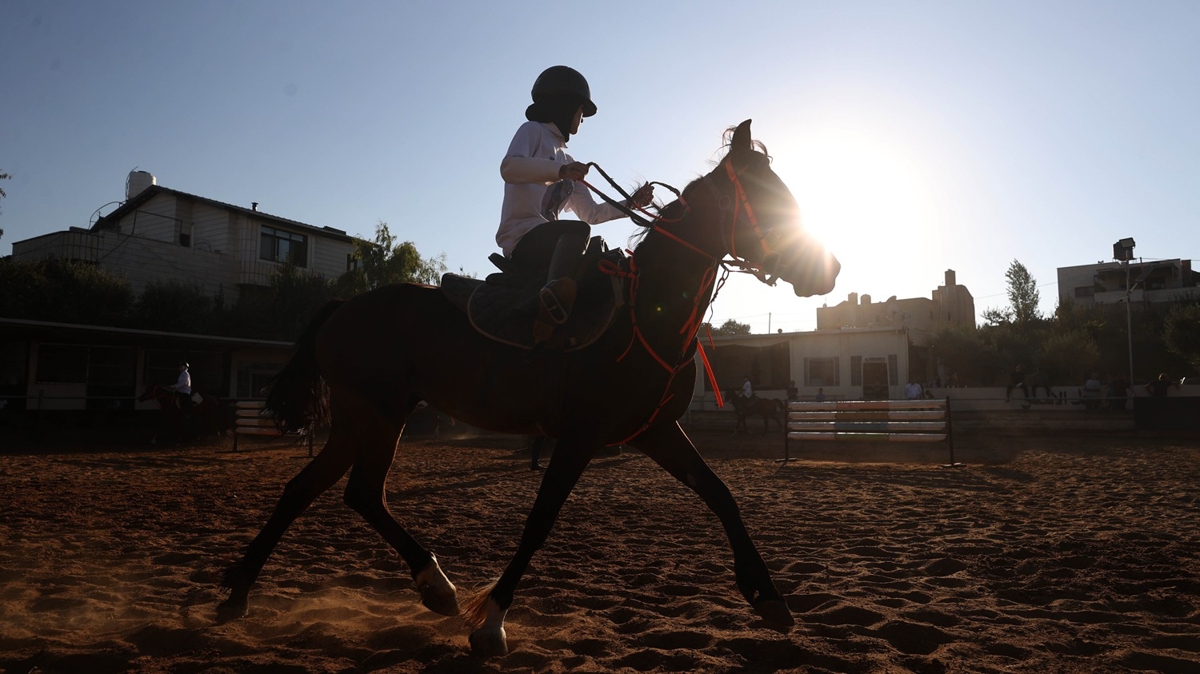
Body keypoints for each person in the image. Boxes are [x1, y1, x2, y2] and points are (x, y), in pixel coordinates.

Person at [497, 65, 653, 341]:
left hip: (552, 241)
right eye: (581, 110)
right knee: (578, 233)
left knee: (600, 251)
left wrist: (630, 203)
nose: (581, 118)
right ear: (565, 105)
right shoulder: (531, 131)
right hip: (521, 238)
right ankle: (549, 304)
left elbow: (591, 213)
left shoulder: (569, 162)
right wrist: (559, 173)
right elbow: (509, 168)